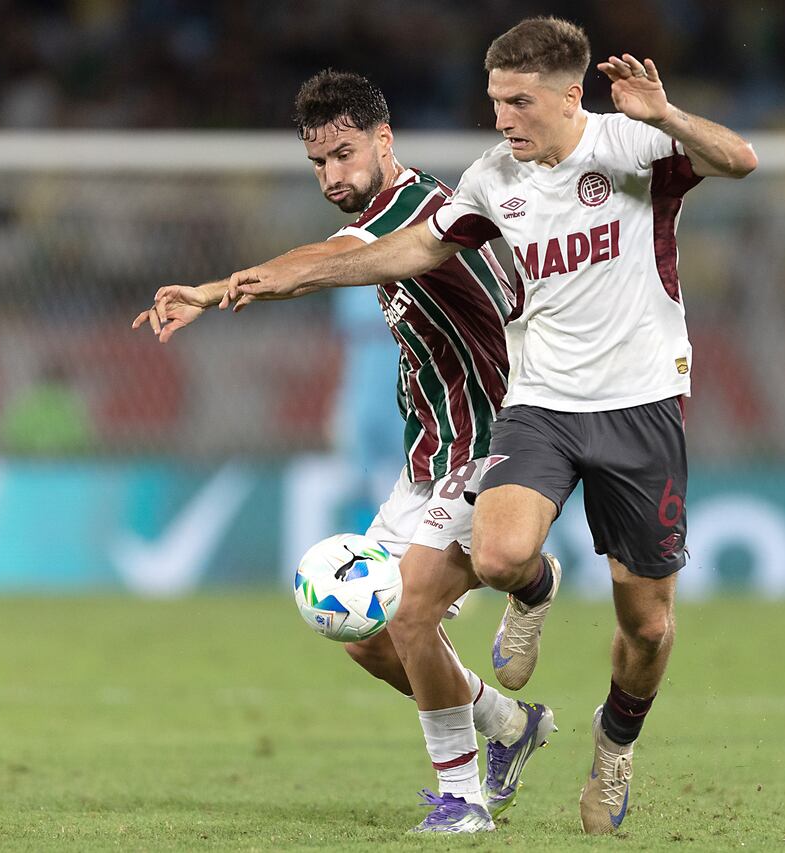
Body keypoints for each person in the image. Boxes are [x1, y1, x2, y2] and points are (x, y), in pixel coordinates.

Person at [220, 18, 757, 834]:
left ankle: (608, 743)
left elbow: (740, 160)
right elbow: (396, 255)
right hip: (532, 408)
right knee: (411, 609)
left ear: (568, 96)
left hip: (638, 404)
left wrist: (667, 114)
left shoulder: (629, 144)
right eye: (494, 100)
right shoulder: (488, 180)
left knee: (645, 626)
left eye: (517, 101)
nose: (501, 116)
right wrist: (246, 283)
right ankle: (500, 725)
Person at [132, 70, 556, 834]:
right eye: (318, 163)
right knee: (365, 635)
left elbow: (321, 264)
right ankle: (507, 724)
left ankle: (462, 800)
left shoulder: (421, 210)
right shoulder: (390, 208)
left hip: (494, 440)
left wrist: (212, 290)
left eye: (343, 154)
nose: (332, 175)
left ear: (384, 141)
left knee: (414, 609)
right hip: (430, 452)